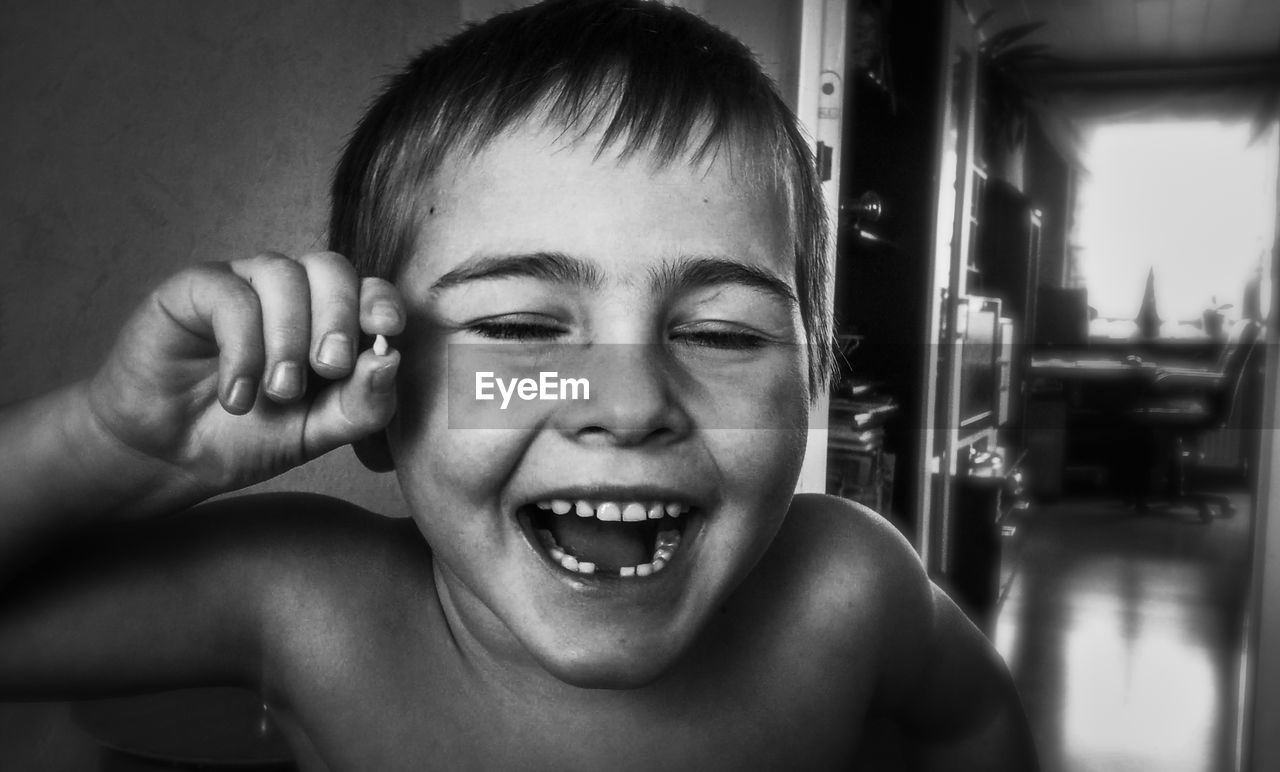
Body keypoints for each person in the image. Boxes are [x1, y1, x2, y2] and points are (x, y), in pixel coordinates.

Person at [0, 1, 1037, 768]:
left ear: (813, 375)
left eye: (720, 332)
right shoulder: (309, 606)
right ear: (378, 379)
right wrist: (110, 447)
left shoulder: (849, 590)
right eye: (517, 327)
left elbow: (973, 714)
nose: (626, 406)